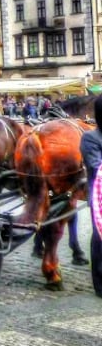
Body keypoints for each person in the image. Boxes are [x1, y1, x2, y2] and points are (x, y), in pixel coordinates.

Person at [79, 97, 102, 297]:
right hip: (99, 196)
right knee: (100, 239)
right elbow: (95, 165)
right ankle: (100, 283)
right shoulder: (90, 138)